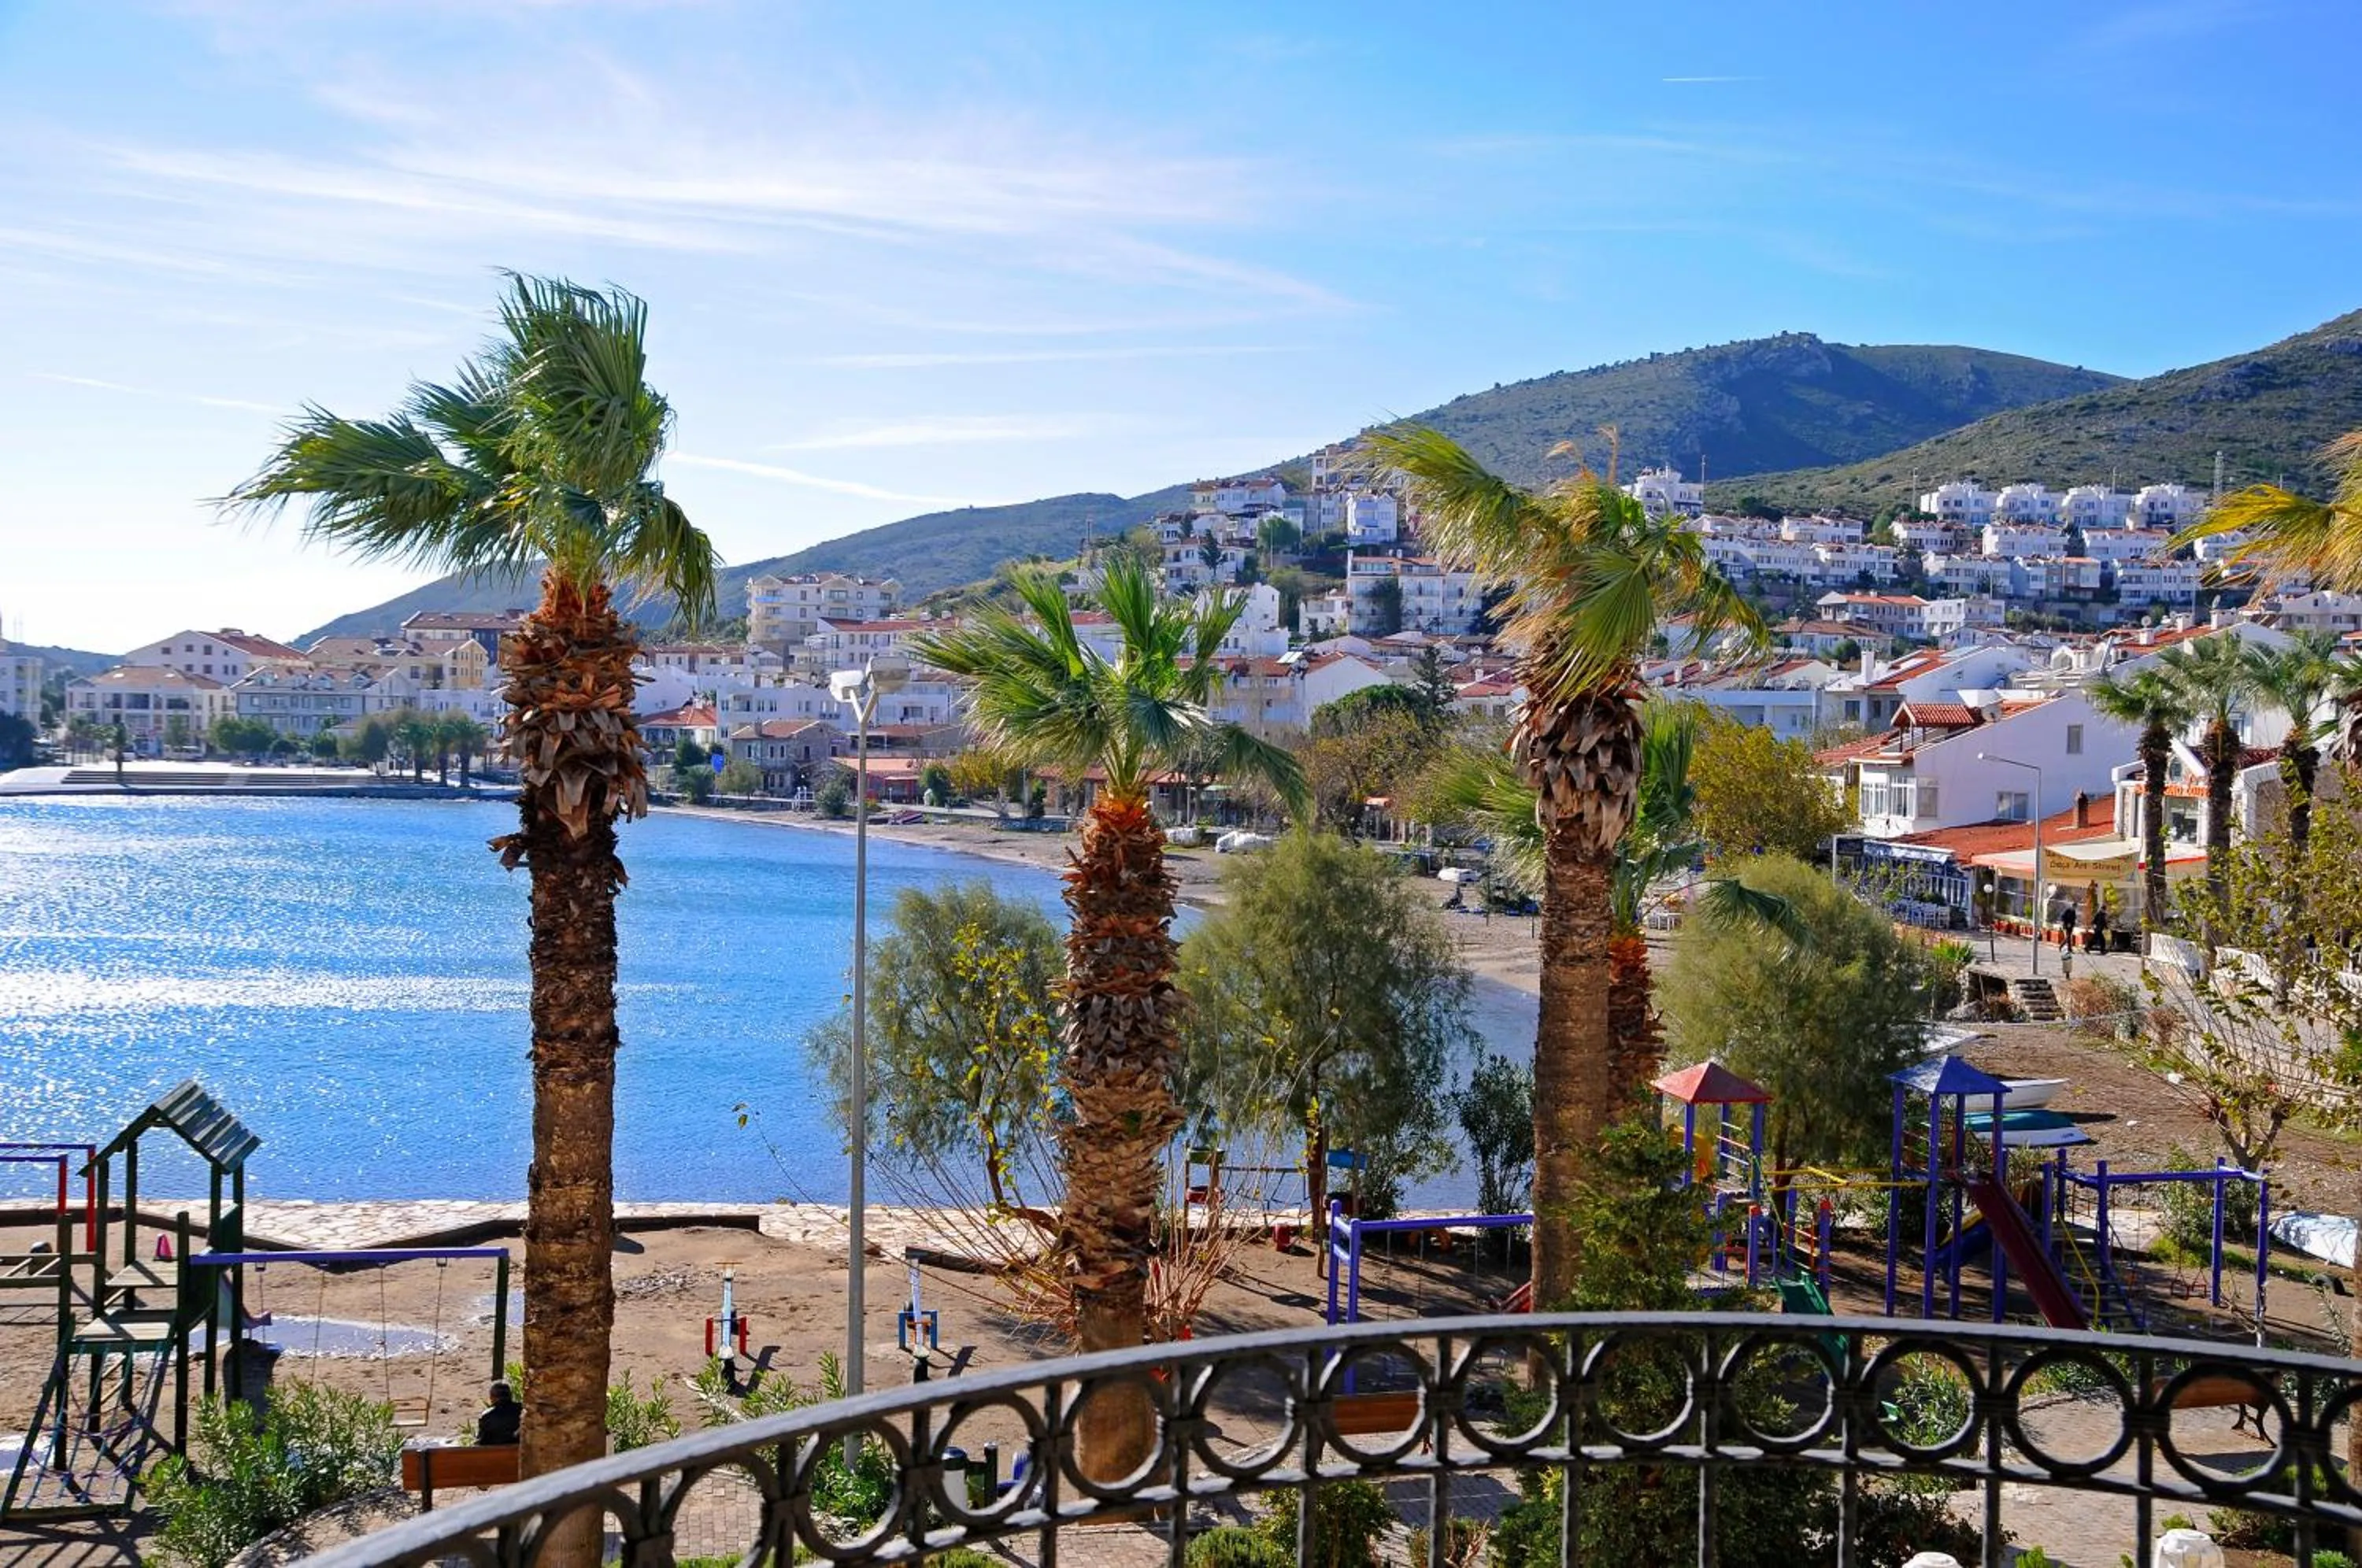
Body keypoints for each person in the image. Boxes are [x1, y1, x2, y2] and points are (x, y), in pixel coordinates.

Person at [476, 1381, 522, 1446]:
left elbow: (481, 1442)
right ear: (510, 1396)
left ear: (493, 1398)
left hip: (493, 1454)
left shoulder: (487, 1416)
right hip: (521, 1452)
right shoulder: (523, 1410)